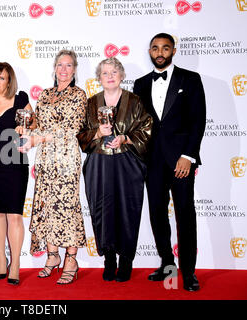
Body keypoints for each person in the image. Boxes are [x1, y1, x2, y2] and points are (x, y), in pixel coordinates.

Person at [133, 33, 206, 291]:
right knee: (156, 213)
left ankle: (188, 271)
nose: (160, 52)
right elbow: (140, 125)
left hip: (181, 161)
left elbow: (198, 121)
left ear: (174, 50)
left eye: (165, 48)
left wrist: (188, 156)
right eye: (155, 48)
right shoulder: (140, 84)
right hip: (152, 162)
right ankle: (167, 263)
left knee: (185, 213)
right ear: (150, 51)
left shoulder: (190, 79)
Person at [77, 57, 152, 282]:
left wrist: (126, 138)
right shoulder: (91, 103)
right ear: (99, 78)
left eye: (114, 72)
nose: (109, 76)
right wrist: (97, 134)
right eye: (105, 73)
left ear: (121, 75)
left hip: (128, 163)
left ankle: (126, 260)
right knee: (102, 210)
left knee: (127, 209)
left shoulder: (135, 101)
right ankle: (109, 260)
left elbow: (147, 130)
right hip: (98, 164)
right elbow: (81, 136)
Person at [19, 50, 87, 285]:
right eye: (60, 65)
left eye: (69, 65)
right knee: (47, 206)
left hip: (67, 157)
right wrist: (27, 134)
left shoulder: (79, 95)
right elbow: (38, 124)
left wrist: (39, 139)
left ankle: (71, 259)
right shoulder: (45, 94)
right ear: (55, 68)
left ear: (75, 70)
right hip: (46, 158)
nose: (64, 69)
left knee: (67, 207)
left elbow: (71, 129)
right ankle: (52, 256)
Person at [0, 62, 33, 285]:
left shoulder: (20, 99)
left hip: (15, 162)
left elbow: (33, 123)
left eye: (2, 78)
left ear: (9, 81)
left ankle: (16, 263)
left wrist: (26, 128)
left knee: (14, 215)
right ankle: (1, 258)